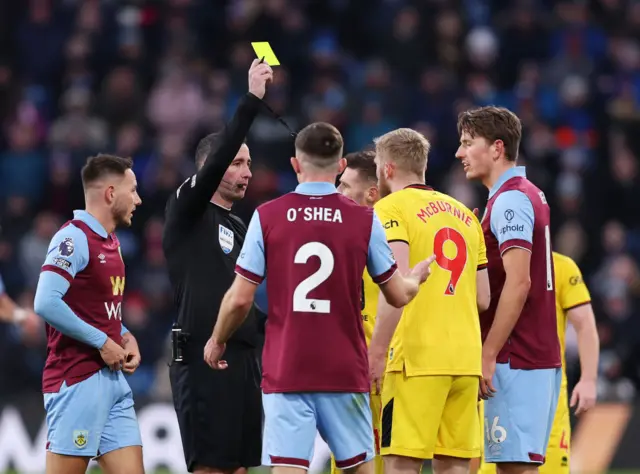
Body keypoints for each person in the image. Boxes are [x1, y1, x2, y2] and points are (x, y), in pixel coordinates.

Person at [203, 122, 436, 474]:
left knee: (288, 468)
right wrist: (416, 278)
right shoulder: (364, 219)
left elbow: (239, 299)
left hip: (287, 368)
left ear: (296, 165)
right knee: (360, 468)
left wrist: (217, 340)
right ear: (341, 165)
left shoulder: (267, 216)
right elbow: (398, 294)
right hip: (343, 367)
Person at [162, 58, 273, 474]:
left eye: (249, 164)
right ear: (211, 167)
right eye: (237, 162)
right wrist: (251, 101)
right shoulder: (186, 208)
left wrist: (278, 323)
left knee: (242, 468)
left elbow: (238, 294)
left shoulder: (239, 223)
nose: (247, 171)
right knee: (211, 468)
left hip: (242, 361)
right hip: (201, 359)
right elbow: (219, 155)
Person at [367, 128, 490, 474]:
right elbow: (483, 299)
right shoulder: (466, 215)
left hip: (415, 359)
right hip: (465, 360)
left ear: (388, 169)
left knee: (401, 464)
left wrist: (376, 353)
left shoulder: (389, 209)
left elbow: (396, 284)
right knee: (454, 465)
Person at [456, 106, 562, 474]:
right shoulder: (525, 193)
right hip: (530, 352)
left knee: (514, 468)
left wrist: (489, 353)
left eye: (469, 143)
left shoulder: (511, 200)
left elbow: (519, 282)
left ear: (497, 148)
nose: (460, 153)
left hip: (517, 356)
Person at [33, 154, 144, 474]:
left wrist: (124, 336)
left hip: (113, 383)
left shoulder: (112, 243)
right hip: (76, 380)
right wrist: (102, 342)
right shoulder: (73, 238)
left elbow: (97, 311)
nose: (138, 198)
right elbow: (46, 302)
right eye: (132, 190)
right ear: (111, 193)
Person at [474, 251, 599, 474]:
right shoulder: (491, 264)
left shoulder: (560, 266)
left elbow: (585, 323)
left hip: (543, 392)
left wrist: (588, 378)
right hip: (497, 385)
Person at [331, 149, 383, 474]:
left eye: (346, 186)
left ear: (372, 193)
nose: (337, 192)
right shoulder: (339, 238)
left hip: (384, 371)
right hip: (350, 370)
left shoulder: (392, 235)